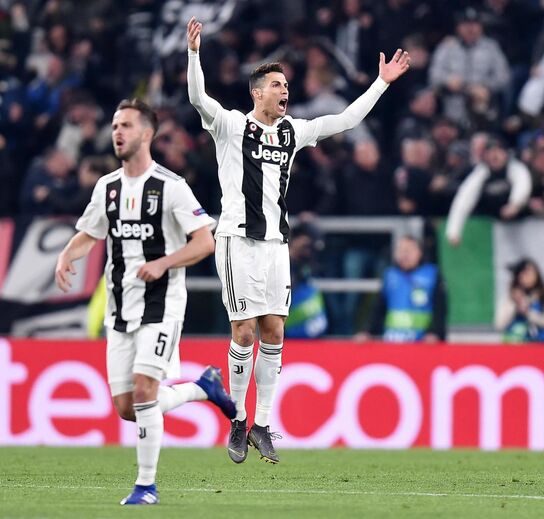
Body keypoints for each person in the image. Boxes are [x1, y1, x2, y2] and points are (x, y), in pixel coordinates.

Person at [186, 16, 410, 464]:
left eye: (287, 84)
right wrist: (194, 55)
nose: (284, 90)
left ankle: (262, 424)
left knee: (274, 331)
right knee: (243, 331)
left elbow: (346, 120)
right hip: (237, 240)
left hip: (276, 245)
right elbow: (197, 98)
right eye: (276, 84)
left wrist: (381, 83)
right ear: (257, 93)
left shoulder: (293, 131)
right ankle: (236, 418)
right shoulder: (230, 126)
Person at [54, 98, 236, 506]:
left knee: (144, 390)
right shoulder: (107, 187)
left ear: (147, 134)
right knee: (127, 407)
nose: (117, 133)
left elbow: (204, 241)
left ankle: (146, 487)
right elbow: (90, 233)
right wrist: (67, 254)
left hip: (162, 304)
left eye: (126, 126)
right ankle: (203, 388)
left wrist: (163, 263)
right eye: (114, 126)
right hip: (120, 309)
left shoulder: (171, 186)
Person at [356, 235, 446, 343]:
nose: (404, 254)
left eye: (409, 250)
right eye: (400, 250)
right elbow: (378, 308)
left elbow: (440, 309)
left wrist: (435, 333)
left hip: (422, 343)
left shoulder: (432, 275)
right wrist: (367, 331)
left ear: (419, 252)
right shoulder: (390, 275)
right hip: (393, 341)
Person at [495, 258, 544, 343]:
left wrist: (529, 313)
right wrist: (515, 305)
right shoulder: (510, 298)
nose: (526, 276)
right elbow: (499, 324)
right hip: (513, 346)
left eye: (529, 273)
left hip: (540, 345)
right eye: (523, 273)